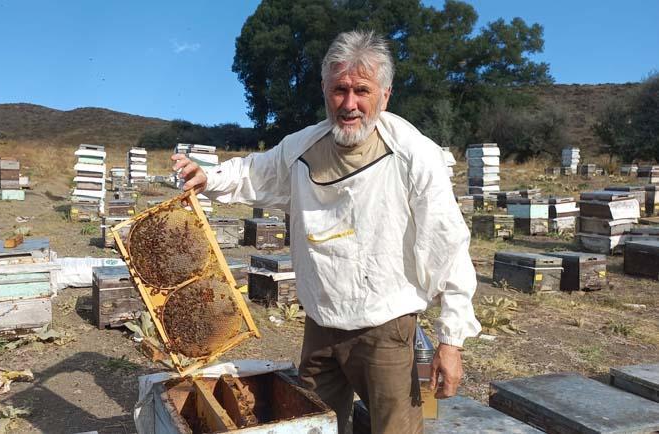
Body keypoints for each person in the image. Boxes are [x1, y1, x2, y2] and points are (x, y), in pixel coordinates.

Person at [172, 30, 480, 434]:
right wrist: (207, 176)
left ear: (385, 95)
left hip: (384, 328)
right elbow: (253, 171)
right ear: (324, 90)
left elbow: (448, 245)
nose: (349, 104)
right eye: (339, 90)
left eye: (361, 91)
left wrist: (451, 340)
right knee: (313, 426)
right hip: (320, 327)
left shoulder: (413, 154)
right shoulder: (302, 147)